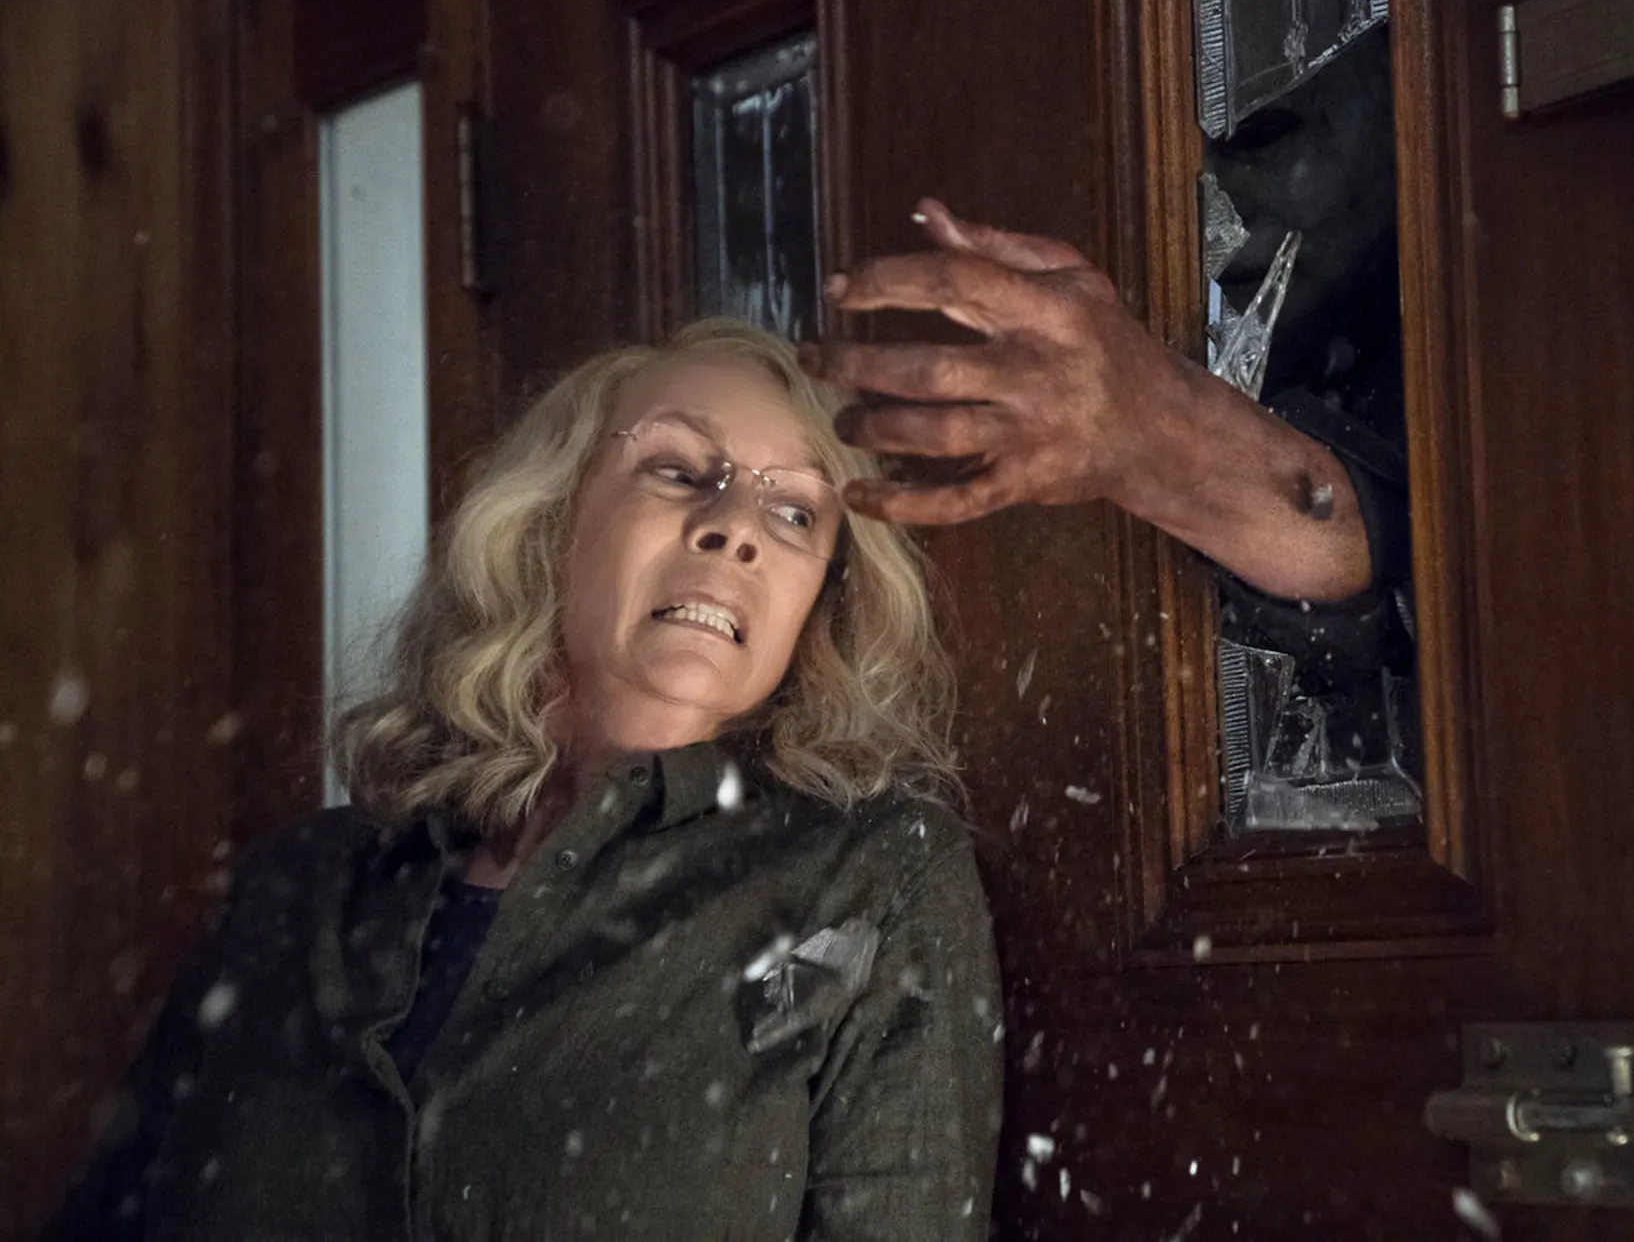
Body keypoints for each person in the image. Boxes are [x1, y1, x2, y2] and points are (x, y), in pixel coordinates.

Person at [47, 319, 1001, 1240]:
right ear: (549, 520)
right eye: (678, 469)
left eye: (794, 511)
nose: (734, 529)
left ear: (820, 600)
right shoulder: (292, 890)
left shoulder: (872, 877)